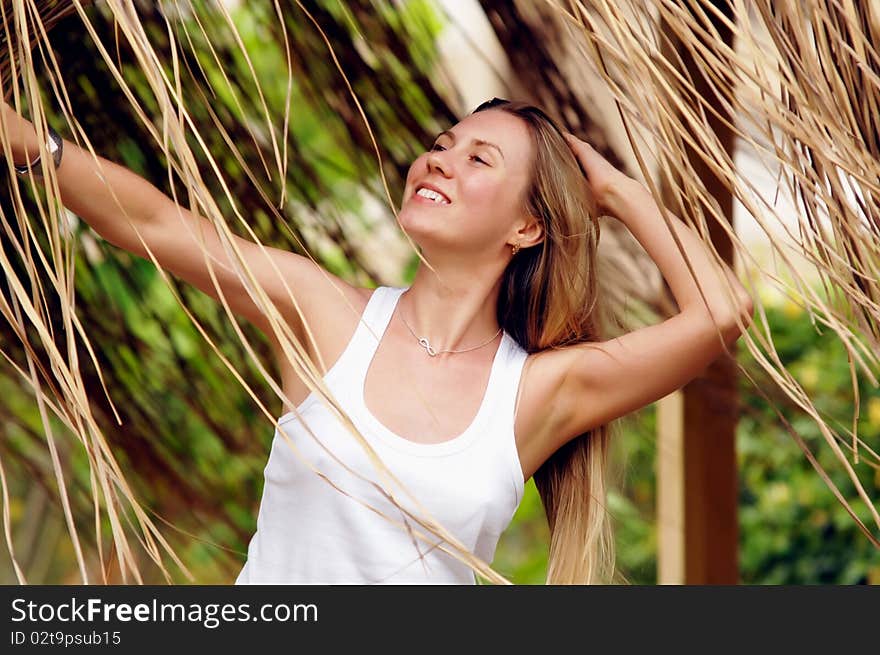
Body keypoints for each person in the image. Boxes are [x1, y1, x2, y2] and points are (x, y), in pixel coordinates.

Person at [2, 97, 753, 584]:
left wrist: (615, 190)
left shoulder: (535, 393)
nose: (438, 160)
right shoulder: (324, 312)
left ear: (527, 227)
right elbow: (162, 224)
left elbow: (720, 311)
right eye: (441, 144)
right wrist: (28, 142)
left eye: (477, 159)